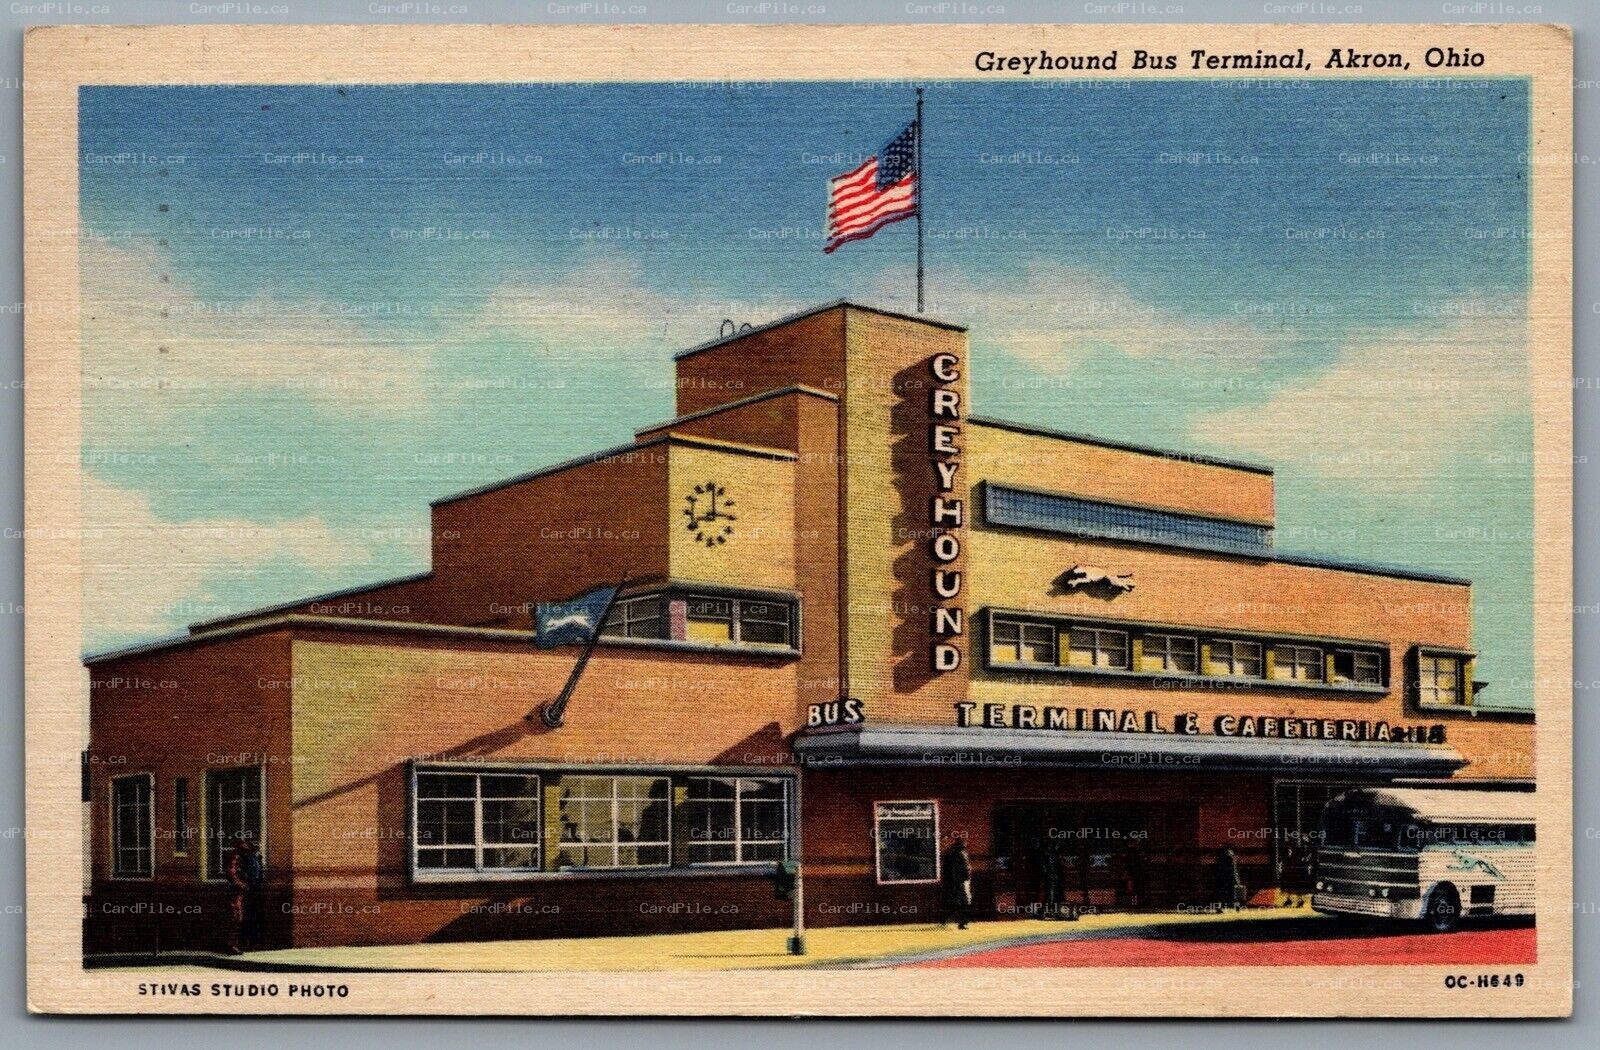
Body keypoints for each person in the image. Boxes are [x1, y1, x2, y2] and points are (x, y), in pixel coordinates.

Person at [226, 833, 266, 954]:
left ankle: (236, 945)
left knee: (239, 918)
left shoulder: (246, 857)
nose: (246, 845)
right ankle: (232, 945)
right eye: (243, 843)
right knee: (236, 918)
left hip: (243, 893)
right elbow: (231, 873)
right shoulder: (236, 857)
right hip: (237, 893)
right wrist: (242, 885)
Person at [940, 839, 973, 930]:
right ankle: (961, 923)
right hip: (960, 882)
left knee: (954, 902)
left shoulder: (949, 854)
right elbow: (965, 869)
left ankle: (945, 919)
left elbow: (946, 870)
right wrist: (965, 877)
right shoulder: (961, 854)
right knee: (963, 902)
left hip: (952, 882)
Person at [1213, 846, 1245, 912]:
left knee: (1222, 893)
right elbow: (1234, 870)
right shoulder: (1232, 858)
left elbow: (1218, 869)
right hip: (1229, 877)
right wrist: (1237, 879)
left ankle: (1220, 907)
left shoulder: (1220, 858)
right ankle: (1237, 906)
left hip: (1223, 877)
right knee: (1234, 893)